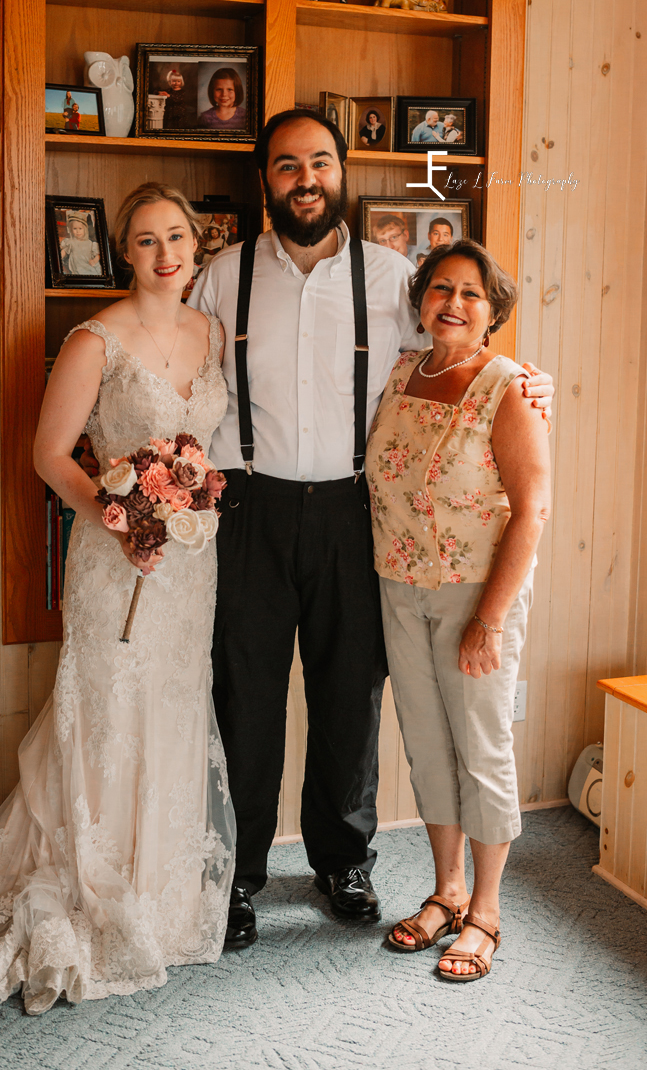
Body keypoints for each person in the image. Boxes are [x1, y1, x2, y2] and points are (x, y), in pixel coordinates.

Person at [186, 109, 555, 949]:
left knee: (351, 693)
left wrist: (531, 380)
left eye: (320, 162)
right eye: (287, 166)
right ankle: (239, 874)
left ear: (341, 172)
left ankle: (342, 860)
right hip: (250, 505)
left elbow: (462, 351)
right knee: (244, 696)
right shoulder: (223, 274)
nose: (305, 179)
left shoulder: (393, 276)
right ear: (265, 181)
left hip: (359, 512)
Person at [0, 183, 235, 1014]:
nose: (165, 253)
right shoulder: (94, 339)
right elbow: (47, 454)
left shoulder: (210, 331)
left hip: (190, 568)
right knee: (108, 709)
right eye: (145, 240)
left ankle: (160, 895)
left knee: (174, 706)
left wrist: (183, 507)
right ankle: (96, 886)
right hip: (114, 561)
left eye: (177, 236)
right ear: (123, 251)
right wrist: (121, 519)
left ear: (194, 243)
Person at [366, 239, 551, 982]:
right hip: (399, 588)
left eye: (472, 292)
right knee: (427, 746)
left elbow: (531, 511)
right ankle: (444, 891)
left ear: (494, 311)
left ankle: (486, 911)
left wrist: (491, 618)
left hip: (477, 594)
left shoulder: (509, 385)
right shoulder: (403, 372)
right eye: (441, 288)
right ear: (421, 303)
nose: (453, 302)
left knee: (483, 749)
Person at [60, 212, 101, 276]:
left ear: (85, 229)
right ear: (71, 230)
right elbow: (64, 252)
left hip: (90, 269)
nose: (78, 231)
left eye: (80, 228)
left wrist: (94, 261)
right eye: (75, 229)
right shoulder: (70, 242)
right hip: (77, 271)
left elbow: (98, 255)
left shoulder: (91, 244)